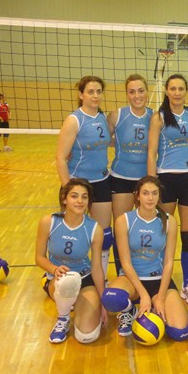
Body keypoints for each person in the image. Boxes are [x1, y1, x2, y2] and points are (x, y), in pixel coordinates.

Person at [100, 176, 188, 341]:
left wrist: (161, 297)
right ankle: (130, 310)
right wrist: (143, 295)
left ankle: (157, 309)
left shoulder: (169, 221)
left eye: (154, 193)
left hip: (158, 279)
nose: (150, 198)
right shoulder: (124, 220)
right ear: (137, 195)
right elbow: (125, 262)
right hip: (131, 280)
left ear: (159, 195)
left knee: (180, 332)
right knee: (110, 298)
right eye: (146, 193)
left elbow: (169, 262)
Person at [147, 74, 188, 304]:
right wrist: (152, 184)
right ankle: (159, 279)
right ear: (166, 91)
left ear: (186, 91)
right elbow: (151, 153)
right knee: (163, 232)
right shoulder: (158, 117)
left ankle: (187, 284)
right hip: (165, 178)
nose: (177, 93)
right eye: (173, 88)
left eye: (181, 89)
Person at [35, 178, 106, 344]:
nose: (80, 201)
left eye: (84, 197)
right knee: (67, 282)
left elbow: (96, 268)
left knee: (86, 336)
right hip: (58, 279)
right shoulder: (49, 222)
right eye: (74, 196)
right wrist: (54, 269)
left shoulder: (95, 229)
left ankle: (75, 303)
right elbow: (39, 257)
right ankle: (63, 317)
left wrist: (103, 303)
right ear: (64, 199)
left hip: (84, 278)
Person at [56, 76, 113, 277]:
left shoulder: (102, 117)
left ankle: (101, 277)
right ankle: (67, 275)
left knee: (105, 234)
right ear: (81, 95)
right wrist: (69, 190)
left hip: (102, 181)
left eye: (98, 91)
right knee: (73, 232)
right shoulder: (74, 120)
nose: (95, 96)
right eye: (90, 92)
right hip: (78, 184)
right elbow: (60, 158)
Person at [107, 74, 153, 274]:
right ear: (126, 94)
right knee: (121, 228)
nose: (137, 96)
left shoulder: (155, 117)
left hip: (146, 181)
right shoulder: (117, 115)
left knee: (146, 227)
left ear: (147, 92)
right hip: (121, 178)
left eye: (141, 91)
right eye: (132, 92)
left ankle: (146, 269)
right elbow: (101, 139)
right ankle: (122, 271)